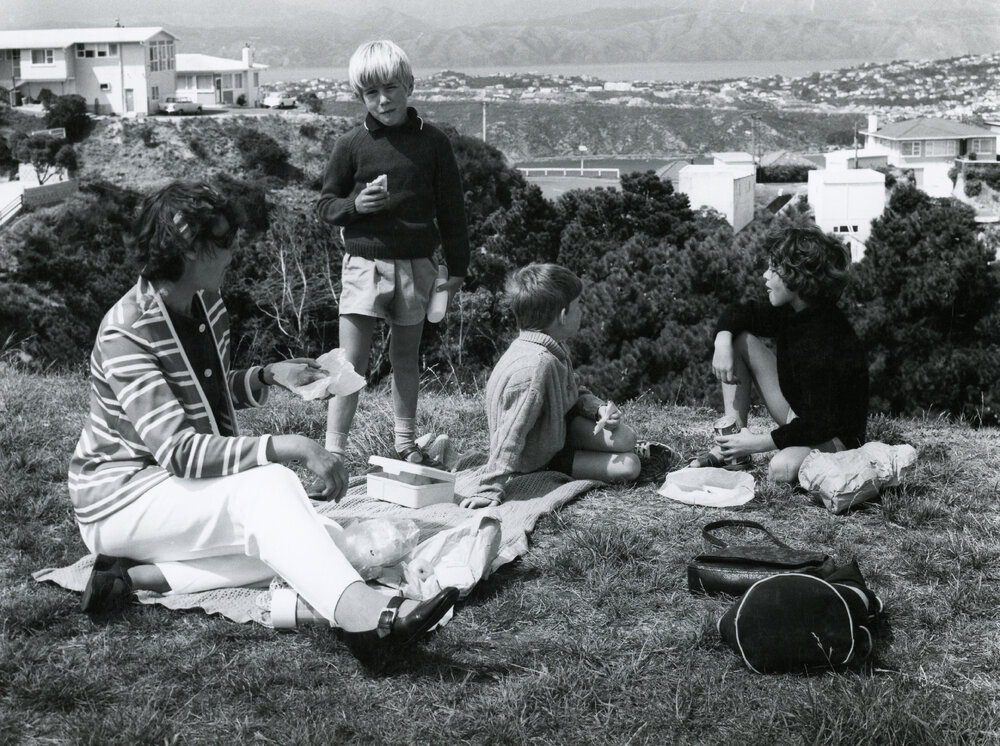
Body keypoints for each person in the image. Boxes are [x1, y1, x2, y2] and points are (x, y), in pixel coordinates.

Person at [68, 180, 457, 648]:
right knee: (272, 488)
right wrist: (290, 447)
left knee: (317, 535)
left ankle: (136, 578)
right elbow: (180, 451)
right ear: (190, 247)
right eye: (226, 239)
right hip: (121, 498)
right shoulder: (126, 333)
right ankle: (366, 621)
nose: (235, 250)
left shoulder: (205, 303)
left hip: (171, 492)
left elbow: (198, 392)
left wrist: (268, 375)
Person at [317, 39, 469, 469]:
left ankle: (405, 443)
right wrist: (354, 207)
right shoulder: (350, 144)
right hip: (364, 265)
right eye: (371, 92)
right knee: (350, 364)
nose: (382, 100)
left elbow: (452, 209)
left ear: (409, 85)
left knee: (406, 357)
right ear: (359, 96)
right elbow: (326, 204)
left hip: (418, 267)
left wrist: (457, 268)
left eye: (390, 88)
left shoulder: (434, 144)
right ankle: (334, 453)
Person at [463, 263, 670, 508]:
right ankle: (589, 458)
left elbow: (574, 391)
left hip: (556, 428)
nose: (583, 310)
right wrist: (489, 488)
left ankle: (619, 448)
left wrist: (598, 409)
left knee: (626, 437)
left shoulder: (553, 346)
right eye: (578, 305)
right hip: (541, 458)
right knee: (629, 466)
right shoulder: (535, 368)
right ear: (563, 316)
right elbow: (511, 432)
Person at [690, 225, 868, 483]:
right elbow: (742, 312)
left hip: (835, 435)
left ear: (797, 277)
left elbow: (821, 423)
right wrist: (722, 339)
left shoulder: (827, 337)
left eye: (773, 269)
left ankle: (744, 446)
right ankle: (731, 447)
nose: (765, 275)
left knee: (780, 469)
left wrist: (758, 444)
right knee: (739, 338)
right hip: (800, 415)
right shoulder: (795, 309)